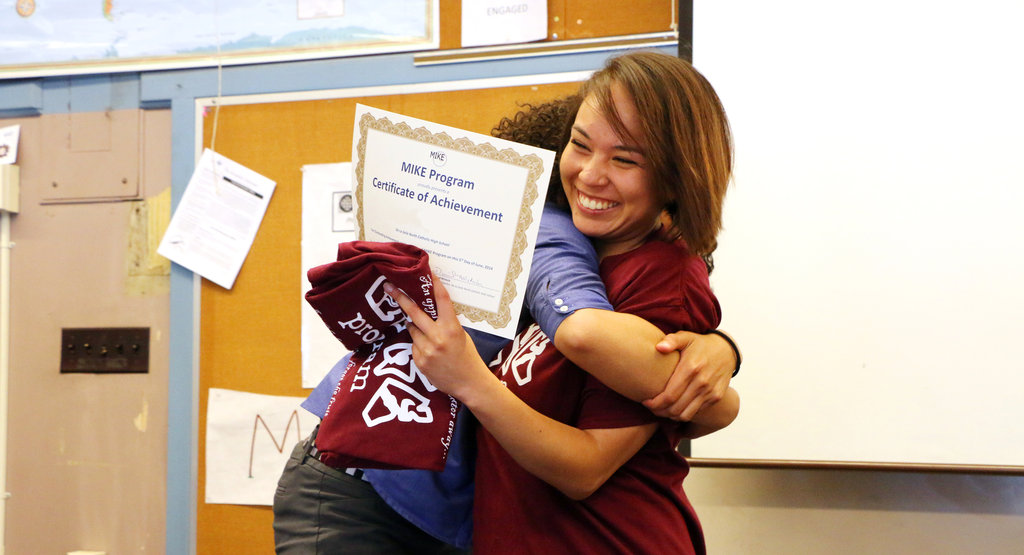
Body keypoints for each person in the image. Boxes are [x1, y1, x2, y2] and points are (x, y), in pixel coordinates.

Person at [273, 66, 741, 553]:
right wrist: (723, 366)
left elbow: (587, 337)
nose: (591, 173)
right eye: (579, 147)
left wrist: (720, 361)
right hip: (376, 486)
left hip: (456, 508)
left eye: (624, 158)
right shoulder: (546, 226)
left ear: (674, 175)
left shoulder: (621, 260)